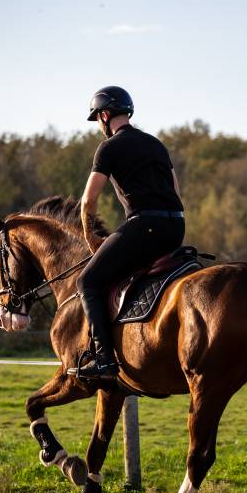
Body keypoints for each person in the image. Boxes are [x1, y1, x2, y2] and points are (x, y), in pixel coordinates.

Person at [72, 86, 185, 381]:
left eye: (98, 118)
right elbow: (175, 190)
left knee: (87, 282)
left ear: (105, 115)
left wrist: (90, 237)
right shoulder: (156, 143)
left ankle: (104, 361)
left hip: (145, 225)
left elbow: (88, 200)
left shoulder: (108, 148)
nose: (99, 124)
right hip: (176, 225)